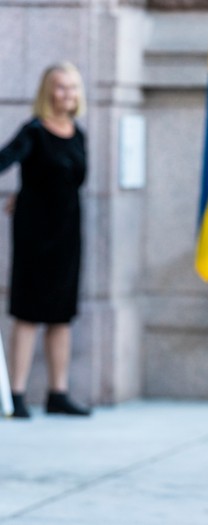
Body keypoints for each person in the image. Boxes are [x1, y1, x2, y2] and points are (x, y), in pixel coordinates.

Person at [0, 62, 91, 418]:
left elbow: (72, 182)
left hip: (68, 233)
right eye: (60, 87)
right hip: (34, 235)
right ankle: (17, 394)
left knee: (61, 314)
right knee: (28, 312)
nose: (67, 93)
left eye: (72, 87)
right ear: (47, 91)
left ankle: (58, 392)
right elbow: (6, 158)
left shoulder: (78, 133)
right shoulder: (34, 131)